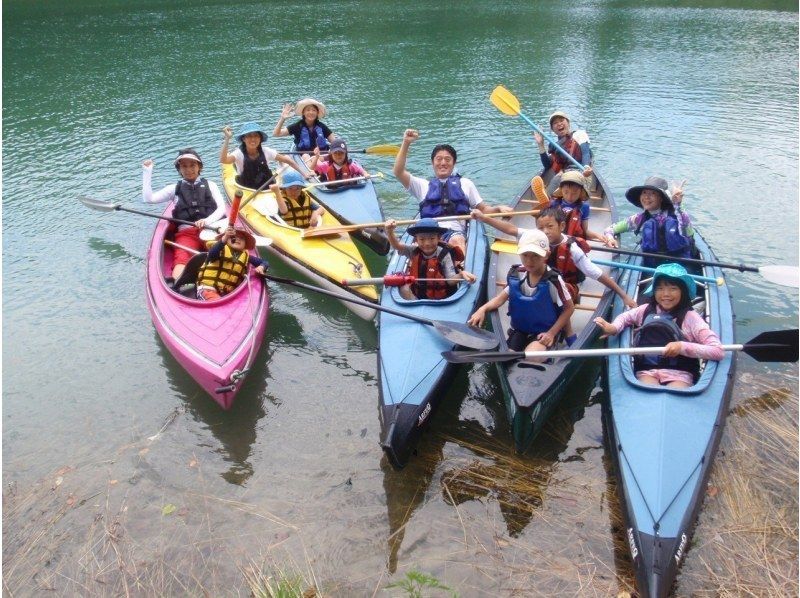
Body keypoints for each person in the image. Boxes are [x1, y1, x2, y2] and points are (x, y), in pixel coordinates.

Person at [473, 207, 636, 345]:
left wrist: (623, 296)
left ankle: (568, 332)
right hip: (538, 279)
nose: (545, 231)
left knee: (559, 294)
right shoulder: (536, 239)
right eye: (541, 228)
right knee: (523, 287)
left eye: (550, 226)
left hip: (565, 285)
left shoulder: (572, 249)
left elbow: (596, 273)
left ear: (562, 226)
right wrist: (484, 218)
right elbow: (510, 229)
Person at [593, 263, 724, 388]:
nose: (666, 294)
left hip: (680, 374)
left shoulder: (691, 318)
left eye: (673, 288)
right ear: (654, 291)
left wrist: (682, 347)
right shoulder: (645, 310)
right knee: (647, 392)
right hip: (647, 370)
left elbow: (717, 351)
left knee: (676, 394)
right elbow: (625, 317)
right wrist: (614, 327)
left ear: (683, 291)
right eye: (660, 288)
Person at [393, 128, 511, 256]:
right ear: (432, 163)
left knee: (457, 240)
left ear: (454, 163)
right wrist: (406, 142)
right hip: (428, 232)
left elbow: (483, 209)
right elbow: (398, 172)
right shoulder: (422, 186)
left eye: (447, 159)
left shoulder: (466, 184)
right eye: (439, 159)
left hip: (454, 232)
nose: (443, 163)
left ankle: (461, 272)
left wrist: (498, 209)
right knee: (417, 249)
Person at [468, 229, 574, 362]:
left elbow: (569, 308)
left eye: (535, 255)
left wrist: (551, 333)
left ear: (546, 254)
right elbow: (500, 299)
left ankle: (549, 350)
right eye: (525, 255)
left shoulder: (553, 280)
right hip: (520, 329)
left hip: (544, 332)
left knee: (531, 357)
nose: (529, 261)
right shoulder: (517, 274)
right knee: (508, 357)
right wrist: (481, 309)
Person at [142, 149, 226, 280]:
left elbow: (222, 208)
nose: (189, 169)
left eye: (192, 165)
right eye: (184, 166)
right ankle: (179, 284)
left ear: (199, 167)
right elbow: (149, 199)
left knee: (222, 254)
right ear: (179, 169)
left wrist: (207, 221)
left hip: (212, 230)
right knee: (181, 258)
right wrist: (147, 171)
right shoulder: (173, 189)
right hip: (187, 233)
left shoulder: (211, 185)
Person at [602, 176, 695, 267]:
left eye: (653, 193)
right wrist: (610, 238)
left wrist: (677, 204)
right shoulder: (639, 219)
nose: (646, 197)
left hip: (680, 266)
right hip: (653, 268)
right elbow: (610, 230)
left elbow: (688, 232)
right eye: (644, 193)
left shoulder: (677, 213)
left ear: (661, 198)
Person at [384, 218, 477, 300]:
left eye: (432, 238)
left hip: (442, 299)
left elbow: (450, 280)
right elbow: (397, 246)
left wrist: (461, 275)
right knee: (403, 288)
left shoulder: (444, 254)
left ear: (439, 238)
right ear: (416, 240)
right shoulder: (414, 251)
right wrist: (389, 231)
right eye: (422, 239)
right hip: (417, 297)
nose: (427, 243)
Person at [219, 122, 308, 190]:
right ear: (243, 139)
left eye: (256, 136)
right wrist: (227, 139)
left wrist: (304, 174)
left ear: (260, 139)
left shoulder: (266, 151)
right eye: (249, 136)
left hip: (267, 186)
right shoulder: (238, 153)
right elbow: (224, 160)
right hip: (246, 188)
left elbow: (288, 161)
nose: (253, 139)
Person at [196, 226, 269, 301]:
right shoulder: (219, 250)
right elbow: (212, 254)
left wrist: (262, 267)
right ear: (226, 240)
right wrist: (225, 237)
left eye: (242, 238)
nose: (237, 239)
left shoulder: (246, 256)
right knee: (218, 303)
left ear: (245, 244)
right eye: (233, 237)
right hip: (208, 289)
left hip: (227, 294)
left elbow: (265, 262)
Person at [534, 111, 593, 195]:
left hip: (582, 172)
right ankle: (551, 199)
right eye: (555, 123)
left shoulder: (580, 134)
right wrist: (540, 144)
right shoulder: (554, 145)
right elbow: (547, 165)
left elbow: (585, 153)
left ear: (568, 123)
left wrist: (586, 167)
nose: (559, 124)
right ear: (553, 129)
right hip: (564, 174)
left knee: (567, 180)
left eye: (561, 120)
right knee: (552, 189)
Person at [545, 170, 608, 244]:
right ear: (561, 190)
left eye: (574, 193)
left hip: (574, 243)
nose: (570, 197)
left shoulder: (584, 207)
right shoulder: (554, 204)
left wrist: (598, 236)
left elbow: (585, 231)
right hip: (556, 241)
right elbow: (548, 226)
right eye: (566, 192)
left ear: (581, 192)